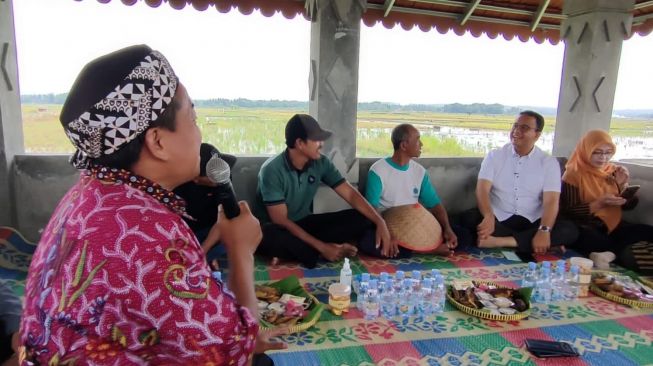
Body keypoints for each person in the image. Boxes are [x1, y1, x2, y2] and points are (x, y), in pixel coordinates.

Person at [19, 45, 285, 365]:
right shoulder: (145, 231)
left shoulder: (89, 192)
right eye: (193, 117)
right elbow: (234, 351)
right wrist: (240, 251)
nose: (200, 134)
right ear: (158, 142)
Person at [253, 114, 393, 268]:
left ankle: (297, 253)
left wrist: (380, 222)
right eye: (316, 140)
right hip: (275, 228)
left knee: (363, 217)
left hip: (303, 223)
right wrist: (322, 247)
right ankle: (318, 251)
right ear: (299, 143)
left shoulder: (321, 162)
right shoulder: (272, 170)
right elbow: (281, 220)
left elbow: (351, 194)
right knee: (272, 238)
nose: (321, 144)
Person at [460, 110, 578, 254]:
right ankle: (537, 244)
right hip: (498, 219)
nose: (516, 131)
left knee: (570, 230)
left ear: (537, 135)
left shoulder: (548, 163)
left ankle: (502, 241)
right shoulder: (494, 156)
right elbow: (482, 190)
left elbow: (551, 201)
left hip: (533, 221)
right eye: (515, 126)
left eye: (524, 128)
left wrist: (544, 230)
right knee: (467, 220)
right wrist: (488, 215)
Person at [365, 123, 472, 256]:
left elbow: (435, 205)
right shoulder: (378, 170)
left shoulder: (419, 172)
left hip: (415, 224)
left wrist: (447, 228)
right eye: (417, 140)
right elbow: (371, 208)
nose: (421, 144)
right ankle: (430, 250)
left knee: (464, 235)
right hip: (388, 224)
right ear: (404, 145)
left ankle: (418, 249)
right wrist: (389, 233)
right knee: (369, 242)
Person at [560, 129, 653, 270]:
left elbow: (627, 207)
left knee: (647, 231)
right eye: (597, 152)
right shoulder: (573, 173)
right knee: (590, 239)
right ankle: (614, 253)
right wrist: (599, 204)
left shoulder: (613, 171)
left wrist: (622, 189)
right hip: (586, 225)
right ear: (586, 150)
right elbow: (568, 211)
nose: (603, 157)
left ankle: (609, 254)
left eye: (608, 152)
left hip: (613, 224)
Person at [174, 142, 237, 266]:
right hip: (187, 233)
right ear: (195, 177)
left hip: (213, 231)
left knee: (236, 233)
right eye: (211, 175)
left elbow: (224, 220)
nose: (218, 176)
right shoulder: (179, 185)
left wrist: (203, 250)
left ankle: (203, 259)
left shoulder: (222, 178)